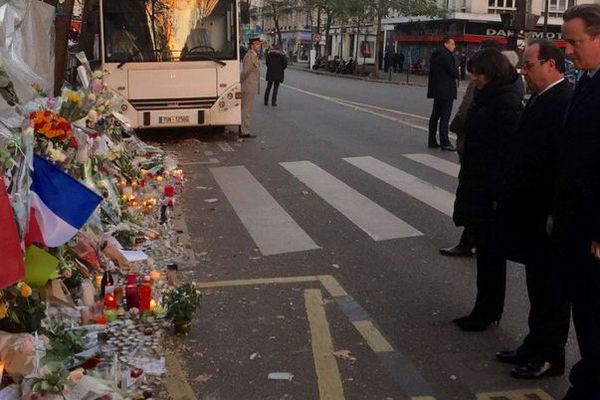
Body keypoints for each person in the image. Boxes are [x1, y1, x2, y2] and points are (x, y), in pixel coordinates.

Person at [496, 39, 572, 380]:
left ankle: (550, 355)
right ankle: (534, 343)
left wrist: (554, 211)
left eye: (529, 65)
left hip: (545, 213)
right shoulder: (543, 98)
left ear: (551, 66)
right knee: (536, 286)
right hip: (530, 210)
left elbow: (561, 165)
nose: (523, 71)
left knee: (550, 290)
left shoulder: (561, 101)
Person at [452, 48, 523, 331]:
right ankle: (484, 308)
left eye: (478, 74)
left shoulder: (505, 102)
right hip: (480, 187)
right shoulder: (490, 96)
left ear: (491, 72)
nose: (474, 79)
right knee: (486, 255)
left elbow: (508, 153)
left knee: (492, 257)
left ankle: (487, 311)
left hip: (491, 193)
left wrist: (497, 193)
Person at [553, 4, 600, 399]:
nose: (568, 50)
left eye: (575, 41)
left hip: (594, 227)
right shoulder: (587, 79)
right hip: (576, 218)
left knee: (595, 314)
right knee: (584, 310)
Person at [440, 39, 504, 258]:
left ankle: (470, 241)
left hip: (476, 150)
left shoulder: (486, 84)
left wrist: (455, 127)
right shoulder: (507, 80)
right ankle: (470, 239)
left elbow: (466, 109)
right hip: (482, 155)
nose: (474, 78)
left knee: (473, 193)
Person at [427, 36, 458, 151]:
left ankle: (432, 140)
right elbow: (454, 72)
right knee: (445, 117)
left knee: (435, 115)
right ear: (446, 44)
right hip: (447, 90)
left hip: (437, 89)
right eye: (452, 44)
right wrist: (457, 71)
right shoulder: (447, 56)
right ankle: (445, 142)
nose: (454, 46)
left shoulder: (436, 54)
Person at [240, 37, 261, 139]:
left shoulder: (253, 55)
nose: (258, 46)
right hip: (248, 86)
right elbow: (245, 72)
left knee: (246, 109)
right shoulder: (250, 56)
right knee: (246, 110)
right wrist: (239, 82)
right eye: (256, 44)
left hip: (249, 85)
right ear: (251, 45)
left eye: (259, 44)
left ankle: (243, 129)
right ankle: (244, 131)